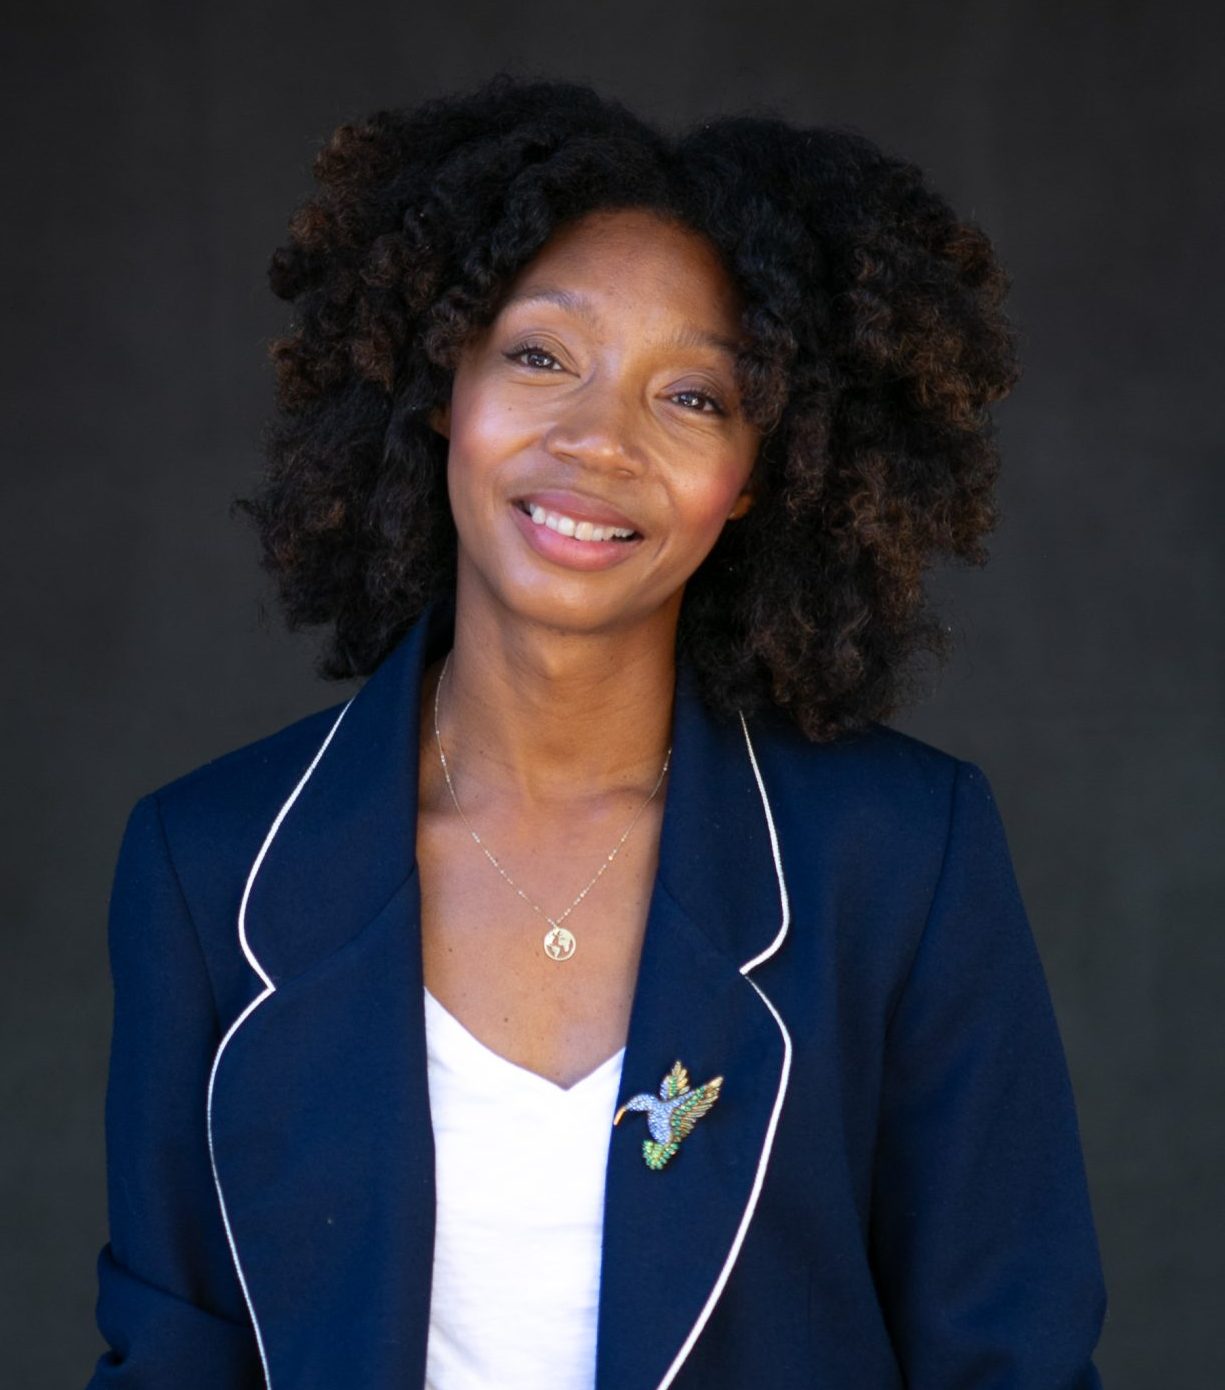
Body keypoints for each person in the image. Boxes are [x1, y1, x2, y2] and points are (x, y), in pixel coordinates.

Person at [84, 74, 1107, 1390]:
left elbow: (1011, 1358)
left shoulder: (900, 858)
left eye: (693, 397)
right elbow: (171, 1353)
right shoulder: (207, 866)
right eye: (540, 356)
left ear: (760, 474)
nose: (597, 441)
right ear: (441, 380)